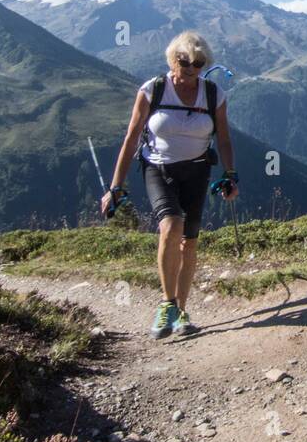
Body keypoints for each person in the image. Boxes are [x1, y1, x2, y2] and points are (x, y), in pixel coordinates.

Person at [102, 31, 238, 339]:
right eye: (184, 61)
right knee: (171, 225)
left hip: (198, 171)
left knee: (189, 241)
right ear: (172, 59)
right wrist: (116, 186)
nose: (191, 68)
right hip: (158, 169)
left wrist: (230, 174)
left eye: (199, 63)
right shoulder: (153, 90)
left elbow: (225, 138)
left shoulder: (214, 94)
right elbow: (131, 137)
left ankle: (182, 312)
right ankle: (167, 303)